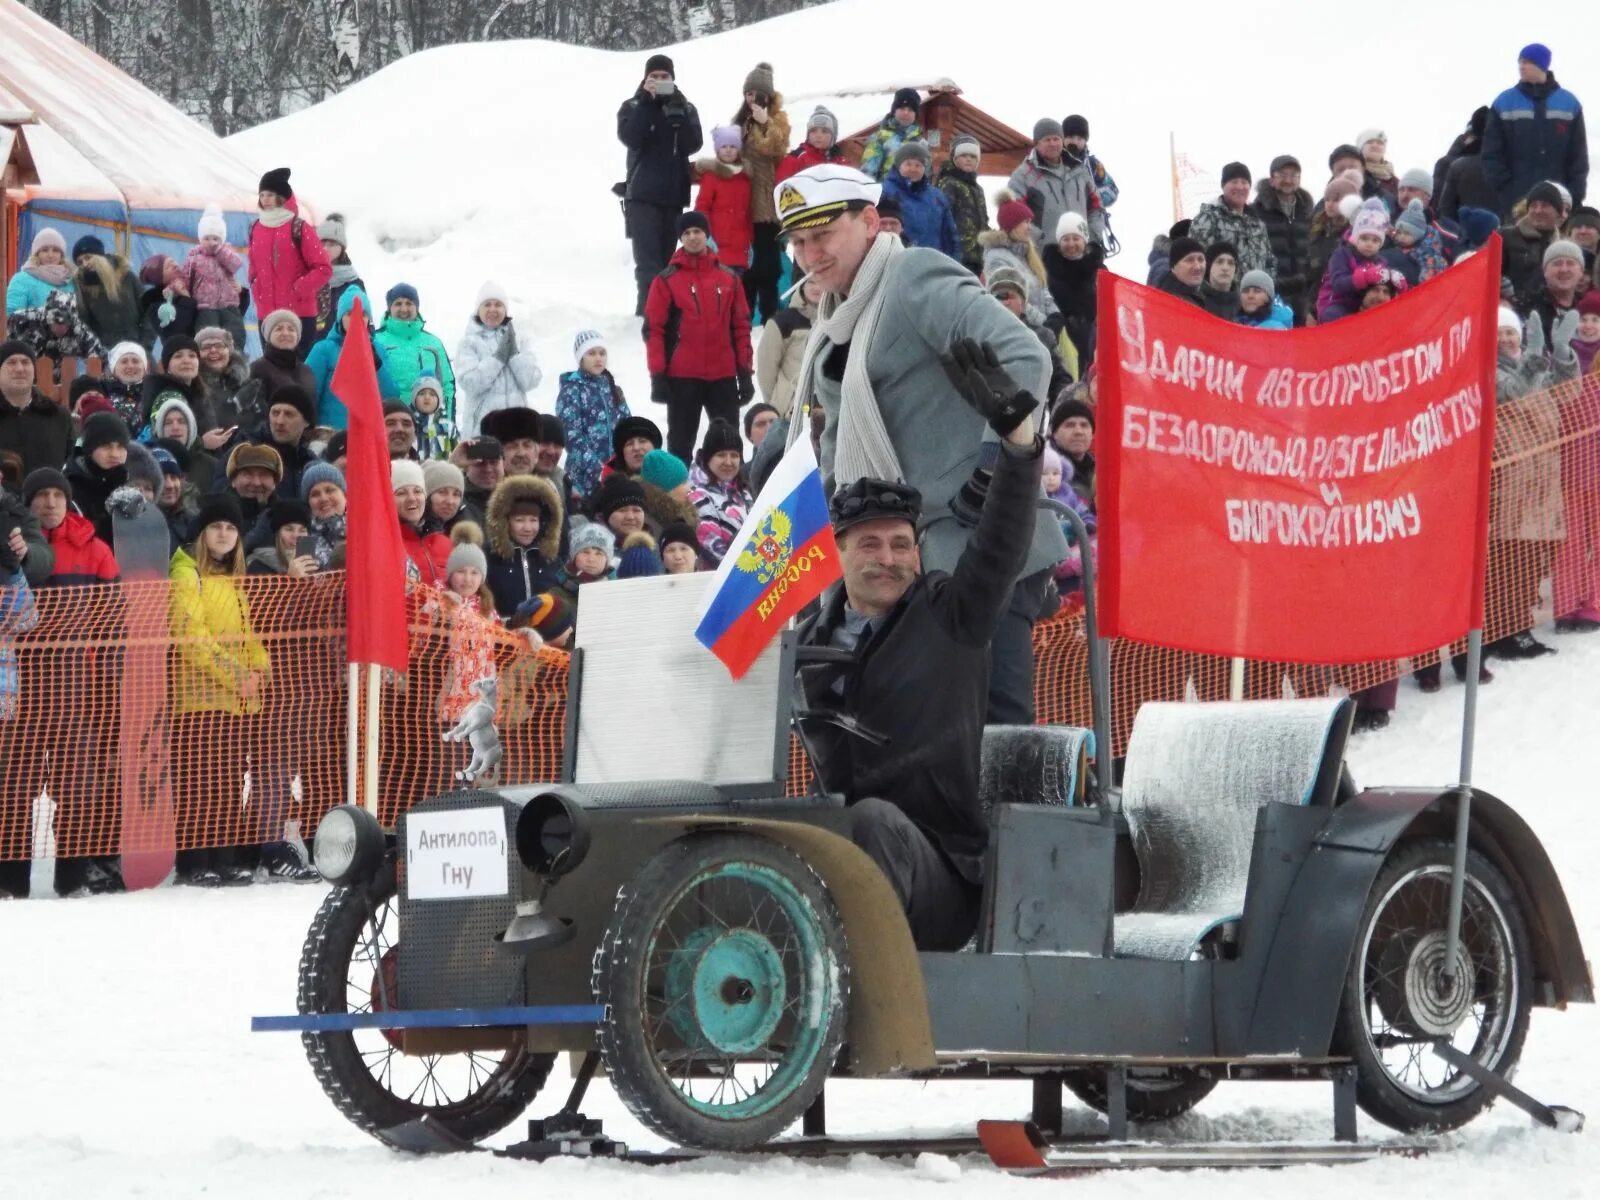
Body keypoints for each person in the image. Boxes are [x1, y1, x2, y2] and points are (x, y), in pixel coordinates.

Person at [767, 166, 1067, 725]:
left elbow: (1026, 357)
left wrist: (991, 468)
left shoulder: (912, 274)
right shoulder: (836, 318)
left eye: (823, 235)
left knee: (995, 738)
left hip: (979, 551)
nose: (810, 255)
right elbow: (838, 444)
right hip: (905, 569)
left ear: (869, 222)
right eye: (799, 242)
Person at [796, 339, 1042, 950]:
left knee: (873, 822)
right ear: (840, 553)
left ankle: (865, 1005)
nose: (888, 559)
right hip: (829, 851)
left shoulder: (948, 615)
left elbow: (1001, 545)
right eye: (870, 545)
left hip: (938, 872)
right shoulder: (802, 648)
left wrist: (1017, 446)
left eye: (901, 544)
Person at [168, 494, 269, 885]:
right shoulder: (187, 574)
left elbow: (249, 634)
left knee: (228, 781)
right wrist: (235, 675)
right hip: (198, 699)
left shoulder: (235, 581)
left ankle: (224, 856)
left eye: (231, 528)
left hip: (237, 700)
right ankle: (195, 860)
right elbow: (191, 636)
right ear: (202, 533)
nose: (224, 534)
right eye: (216, 527)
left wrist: (259, 669)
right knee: (198, 781)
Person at [1486, 305, 1578, 660]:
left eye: (1511, 332)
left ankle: (1520, 625)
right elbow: (1514, 393)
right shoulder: (1489, 369)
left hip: (1542, 477)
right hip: (1510, 478)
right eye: (1500, 333)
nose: (1507, 339)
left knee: (1529, 559)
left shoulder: (1531, 364)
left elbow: (1565, 393)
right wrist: (1537, 358)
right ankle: (1503, 629)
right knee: (1508, 559)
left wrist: (1563, 352)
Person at [645, 212, 753, 463]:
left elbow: (741, 326)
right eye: (686, 233)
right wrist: (658, 374)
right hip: (683, 376)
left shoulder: (729, 278)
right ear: (681, 238)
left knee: (728, 444)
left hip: (723, 375)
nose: (693, 237)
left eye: (697, 231)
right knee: (680, 445)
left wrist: (744, 373)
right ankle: (678, 498)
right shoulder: (666, 280)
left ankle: (732, 497)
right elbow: (654, 329)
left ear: (707, 234)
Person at [618, 54, 705, 316]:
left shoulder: (685, 106)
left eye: (664, 77)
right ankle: (647, 314)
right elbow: (631, 137)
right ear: (645, 79)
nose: (658, 81)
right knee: (647, 263)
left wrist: (677, 117)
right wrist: (647, 103)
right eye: (653, 77)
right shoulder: (632, 106)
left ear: (672, 78)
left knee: (668, 260)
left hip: (673, 194)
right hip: (642, 194)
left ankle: (664, 311)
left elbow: (694, 144)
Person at [1482, 44, 1588, 218]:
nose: (1522, 66)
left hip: (1560, 203)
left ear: (1542, 65)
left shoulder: (1569, 104)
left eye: (1528, 62)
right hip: (1516, 203)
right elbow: (1491, 154)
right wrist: (1507, 191)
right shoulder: (1504, 102)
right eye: (1520, 62)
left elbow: (1578, 156)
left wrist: (1574, 195)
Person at [247, 168, 333, 360]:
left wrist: (298, 288)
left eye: (270, 194)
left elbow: (323, 268)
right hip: (267, 314)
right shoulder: (255, 228)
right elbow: (253, 267)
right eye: (262, 195)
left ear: (282, 196)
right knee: (271, 370)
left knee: (300, 370)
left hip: (299, 313)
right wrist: (256, 287)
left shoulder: (299, 227)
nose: (265, 199)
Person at [0, 534, 39, 898]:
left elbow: (27, 617)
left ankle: (11, 882)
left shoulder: (7, 573)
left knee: (9, 792)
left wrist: (11, 571)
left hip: (4, 702)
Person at [454, 282, 542, 439]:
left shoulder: (519, 338)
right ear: (478, 310)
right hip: (482, 430)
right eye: (487, 304)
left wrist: (514, 356)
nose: (493, 309)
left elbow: (532, 381)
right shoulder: (469, 342)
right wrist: (498, 359)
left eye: (498, 305)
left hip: (517, 427)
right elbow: (469, 383)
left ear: (505, 309)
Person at [1007, 119, 1105, 251]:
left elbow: (1096, 207)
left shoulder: (1079, 170)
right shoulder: (1023, 176)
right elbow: (1013, 215)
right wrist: (1039, 242)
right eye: (1047, 140)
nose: (1053, 144)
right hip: (1043, 261)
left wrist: (1092, 236)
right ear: (1036, 143)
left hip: (1081, 255)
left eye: (1056, 139)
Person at [556, 330, 630, 502]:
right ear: (581, 357)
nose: (598, 358)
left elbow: (628, 428)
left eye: (602, 353)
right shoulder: (571, 391)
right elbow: (571, 436)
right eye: (591, 353)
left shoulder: (613, 389)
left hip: (617, 473)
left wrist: (624, 463)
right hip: (584, 477)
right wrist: (598, 468)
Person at [1249, 155, 1316, 324]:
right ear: (1272, 179)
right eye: (1282, 175)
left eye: (1293, 175)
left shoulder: (1308, 211)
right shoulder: (1256, 211)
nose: (1288, 180)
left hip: (1304, 293)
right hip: (1272, 291)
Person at [485, 474, 563, 617]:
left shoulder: (550, 559)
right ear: (505, 522)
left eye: (533, 520)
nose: (528, 528)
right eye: (519, 520)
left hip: (544, 636)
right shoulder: (490, 557)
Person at [375, 283, 456, 419]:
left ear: (417, 307)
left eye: (409, 303)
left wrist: (448, 420)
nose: (404, 308)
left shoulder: (433, 343)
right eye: (398, 303)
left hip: (428, 422)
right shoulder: (376, 340)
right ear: (389, 308)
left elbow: (447, 385)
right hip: (386, 418)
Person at [988, 268, 1071, 400]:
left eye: (1009, 296)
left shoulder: (1041, 337)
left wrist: (1062, 410)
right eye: (998, 296)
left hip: (1030, 415)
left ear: (1023, 304)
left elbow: (1060, 379)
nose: (1004, 302)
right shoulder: (977, 333)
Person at [980, 197, 1060, 331]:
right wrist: (1044, 323)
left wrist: (1055, 315)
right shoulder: (996, 258)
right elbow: (1010, 299)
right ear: (1013, 225)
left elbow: (1042, 289)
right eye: (1026, 222)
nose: (1030, 228)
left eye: (1030, 222)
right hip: (1021, 330)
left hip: (1041, 330)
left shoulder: (1026, 254)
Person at [0, 341, 73, 477]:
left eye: (25, 362)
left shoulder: (58, 416)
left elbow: (73, 465)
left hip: (48, 496)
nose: (20, 369)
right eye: (11, 362)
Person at [1189, 162, 1275, 278]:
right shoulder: (1208, 219)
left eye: (1244, 182)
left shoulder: (1258, 224)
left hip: (1255, 293)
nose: (1240, 187)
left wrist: (1267, 287)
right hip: (1221, 294)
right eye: (1234, 182)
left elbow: (1269, 261)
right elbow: (1196, 261)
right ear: (1223, 186)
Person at [754, 275, 819, 426]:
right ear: (801, 285)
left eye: (820, 282)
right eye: (811, 282)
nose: (816, 288)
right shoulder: (781, 322)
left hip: (824, 409)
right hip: (789, 411)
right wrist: (777, 403)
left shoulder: (838, 321)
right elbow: (766, 370)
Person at [1042, 212, 1103, 369]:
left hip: (1093, 336)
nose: (1071, 244)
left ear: (1084, 240)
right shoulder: (1048, 269)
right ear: (1059, 241)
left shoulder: (1098, 269)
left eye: (1076, 238)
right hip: (1062, 335)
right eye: (1066, 239)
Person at [686, 419, 751, 564]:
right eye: (721, 455)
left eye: (734, 455)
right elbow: (712, 548)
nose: (728, 462)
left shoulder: (743, 493)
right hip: (724, 578)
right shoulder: (697, 496)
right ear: (708, 458)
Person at [881, 141, 959, 259]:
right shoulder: (884, 192)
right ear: (898, 166)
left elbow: (949, 234)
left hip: (932, 261)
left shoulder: (937, 197)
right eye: (908, 164)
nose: (913, 168)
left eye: (918, 165)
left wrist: (954, 261)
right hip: (896, 259)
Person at [695, 126, 755, 279]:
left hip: (740, 249)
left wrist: (749, 243)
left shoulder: (744, 179)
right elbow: (702, 208)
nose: (728, 150)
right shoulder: (711, 177)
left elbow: (747, 214)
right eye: (724, 146)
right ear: (717, 149)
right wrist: (705, 235)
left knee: (735, 293)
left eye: (733, 146)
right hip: (717, 246)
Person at [184, 205, 247, 347]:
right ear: (200, 239)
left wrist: (220, 250)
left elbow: (236, 264)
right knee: (207, 339)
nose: (211, 242)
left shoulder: (227, 252)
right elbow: (185, 279)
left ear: (222, 239)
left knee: (235, 338)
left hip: (229, 305)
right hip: (205, 306)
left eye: (216, 238)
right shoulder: (194, 257)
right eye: (207, 238)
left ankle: (236, 362)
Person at [1501, 181, 1568, 310]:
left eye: (1545, 205)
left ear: (1558, 212)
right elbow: (1488, 273)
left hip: (1547, 314)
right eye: (1533, 205)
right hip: (1510, 313)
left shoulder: (1563, 248)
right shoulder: (1505, 237)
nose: (1538, 210)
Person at [70, 236, 142, 351]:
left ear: (100, 256)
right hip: (107, 352)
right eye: (80, 262)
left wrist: (145, 345)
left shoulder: (127, 277)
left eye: (88, 257)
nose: (84, 264)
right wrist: (99, 349)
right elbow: (86, 324)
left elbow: (148, 312)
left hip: (137, 348)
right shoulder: (83, 289)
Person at [936, 134, 991, 276]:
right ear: (954, 159)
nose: (968, 159)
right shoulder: (948, 183)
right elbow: (942, 217)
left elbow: (983, 219)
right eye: (964, 155)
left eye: (973, 156)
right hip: (957, 253)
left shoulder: (978, 189)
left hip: (978, 255)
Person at [393, 458, 450, 585]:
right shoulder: (387, 544)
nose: (412, 498)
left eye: (418, 491)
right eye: (401, 493)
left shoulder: (443, 542)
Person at [314, 213, 366, 343]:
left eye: (332, 244)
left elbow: (364, 321)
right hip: (310, 351)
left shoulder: (353, 283)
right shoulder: (309, 279)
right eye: (322, 243)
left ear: (341, 248)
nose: (326, 248)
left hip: (342, 348)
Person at [858, 88, 924, 182]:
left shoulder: (922, 143)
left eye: (910, 110)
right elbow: (867, 172)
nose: (906, 113)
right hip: (885, 193)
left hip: (912, 194)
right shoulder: (880, 137)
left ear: (915, 114)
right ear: (894, 111)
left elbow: (926, 176)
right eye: (902, 108)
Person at [6, 228, 74, 315]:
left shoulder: (70, 280)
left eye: (56, 250)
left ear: (62, 255)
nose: (50, 255)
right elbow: (11, 314)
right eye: (45, 250)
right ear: (37, 253)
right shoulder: (22, 280)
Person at [193, 328, 250, 430]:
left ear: (229, 350)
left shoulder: (246, 383)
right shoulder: (192, 385)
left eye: (219, 345)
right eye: (206, 347)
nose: (213, 350)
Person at [137, 254, 198, 345]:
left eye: (174, 261)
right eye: (169, 266)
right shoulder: (156, 304)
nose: (175, 265)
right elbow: (176, 331)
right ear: (160, 277)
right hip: (181, 352)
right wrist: (185, 298)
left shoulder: (194, 286)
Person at [776, 106, 845, 184]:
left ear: (833, 136)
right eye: (813, 131)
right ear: (808, 135)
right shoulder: (794, 159)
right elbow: (782, 188)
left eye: (825, 131)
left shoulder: (840, 161)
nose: (818, 135)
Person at [300, 460, 348, 569]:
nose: (324, 498)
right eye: (315, 494)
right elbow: (305, 585)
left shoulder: (363, 530)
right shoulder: (305, 544)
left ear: (345, 495)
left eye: (330, 490)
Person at [410, 376, 460, 461]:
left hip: (441, 472)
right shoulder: (409, 425)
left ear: (439, 400)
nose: (427, 397)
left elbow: (458, 453)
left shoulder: (448, 427)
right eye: (422, 393)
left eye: (432, 394)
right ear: (414, 398)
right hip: (415, 472)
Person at [1157, 236, 1208, 308]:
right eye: (1190, 260)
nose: (1197, 267)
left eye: (1201, 259)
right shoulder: (1169, 302)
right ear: (1174, 267)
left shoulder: (1198, 296)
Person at [425, 460, 468, 533]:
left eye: (456, 494)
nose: (450, 501)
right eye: (442, 492)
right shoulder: (412, 531)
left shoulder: (464, 532)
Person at [1201, 243, 1241, 320]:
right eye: (1219, 262)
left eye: (1231, 263)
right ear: (1209, 266)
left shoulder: (1243, 305)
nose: (1225, 268)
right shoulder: (1196, 302)